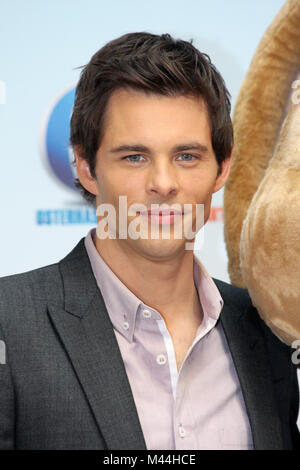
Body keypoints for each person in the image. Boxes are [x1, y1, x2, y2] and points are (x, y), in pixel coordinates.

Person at [0, 32, 299, 450]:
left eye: (187, 156)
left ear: (222, 167)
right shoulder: (8, 322)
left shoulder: (268, 331)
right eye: (134, 157)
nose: (163, 183)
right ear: (85, 166)